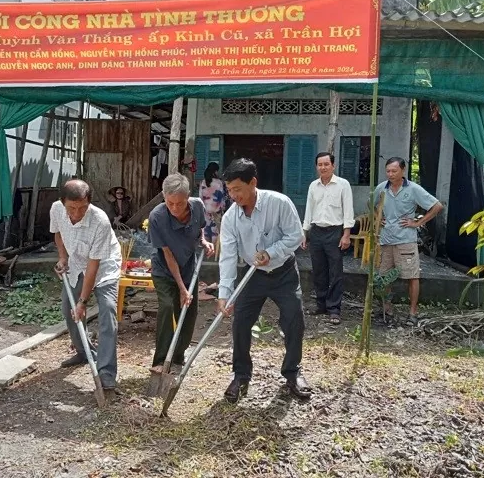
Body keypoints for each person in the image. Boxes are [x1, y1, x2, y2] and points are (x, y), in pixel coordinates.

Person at [217, 158, 311, 403]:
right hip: (252, 276)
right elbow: (227, 257)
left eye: (237, 189)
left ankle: (292, 373)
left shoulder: (279, 203)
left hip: (284, 273)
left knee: (294, 319)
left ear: (253, 183)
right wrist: (225, 294)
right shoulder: (230, 219)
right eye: (229, 190)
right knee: (240, 324)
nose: (233, 195)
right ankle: (241, 375)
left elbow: (296, 236)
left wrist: (271, 253)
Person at [51, 179, 122, 390]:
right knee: (68, 309)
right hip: (76, 262)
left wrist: (83, 301)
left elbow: (94, 266)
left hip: (103, 266)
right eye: (72, 208)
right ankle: (84, 352)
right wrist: (63, 258)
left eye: (83, 207)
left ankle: (106, 371)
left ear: (89, 203)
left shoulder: (99, 221)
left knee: (107, 311)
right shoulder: (57, 209)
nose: (77, 213)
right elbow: (58, 234)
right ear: (63, 202)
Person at [148, 173, 215, 372]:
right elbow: (168, 256)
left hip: (188, 266)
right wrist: (181, 288)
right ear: (163, 197)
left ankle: (177, 357)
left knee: (188, 311)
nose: (175, 208)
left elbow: (200, 229)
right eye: (170, 203)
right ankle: (160, 361)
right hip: (164, 270)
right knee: (168, 306)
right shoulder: (157, 217)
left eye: (180, 203)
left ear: (188, 197)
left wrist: (203, 241)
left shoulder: (197, 207)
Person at [377, 157, 443, 326]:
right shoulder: (382, 188)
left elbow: (437, 206)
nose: (390, 174)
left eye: (394, 171)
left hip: (406, 240)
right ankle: (387, 309)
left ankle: (412, 313)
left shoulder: (413, 189)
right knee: (385, 277)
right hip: (386, 240)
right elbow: (372, 204)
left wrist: (418, 223)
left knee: (412, 276)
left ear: (403, 170)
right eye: (388, 171)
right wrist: (379, 218)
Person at [302, 152, 355, 325]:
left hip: (335, 232)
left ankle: (334, 309)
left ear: (333, 166)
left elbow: (348, 210)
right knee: (318, 270)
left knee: (335, 272)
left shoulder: (342, 185)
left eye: (326, 164)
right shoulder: (313, 186)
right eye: (320, 164)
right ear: (316, 166)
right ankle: (321, 305)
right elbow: (309, 210)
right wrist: (304, 233)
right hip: (316, 232)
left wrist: (346, 234)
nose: (323, 167)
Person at [199, 162, 228, 249]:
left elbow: (200, 198)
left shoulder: (202, 183)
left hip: (205, 211)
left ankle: (207, 251)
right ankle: (215, 250)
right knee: (216, 231)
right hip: (216, 210)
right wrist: (223, 208)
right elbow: (222, 198)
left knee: (206, 231)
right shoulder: (219, 183)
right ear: (215, 172)